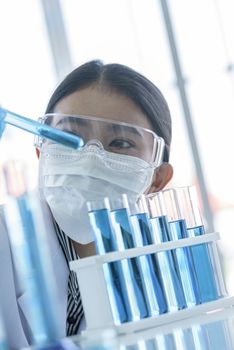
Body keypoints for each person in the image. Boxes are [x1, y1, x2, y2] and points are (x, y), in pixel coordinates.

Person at [0, 60, 173, 349]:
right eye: (70, 138)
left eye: (120, 142)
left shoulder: (172, 273)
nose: (91, 157)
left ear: (157, 178)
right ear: (42, 153)